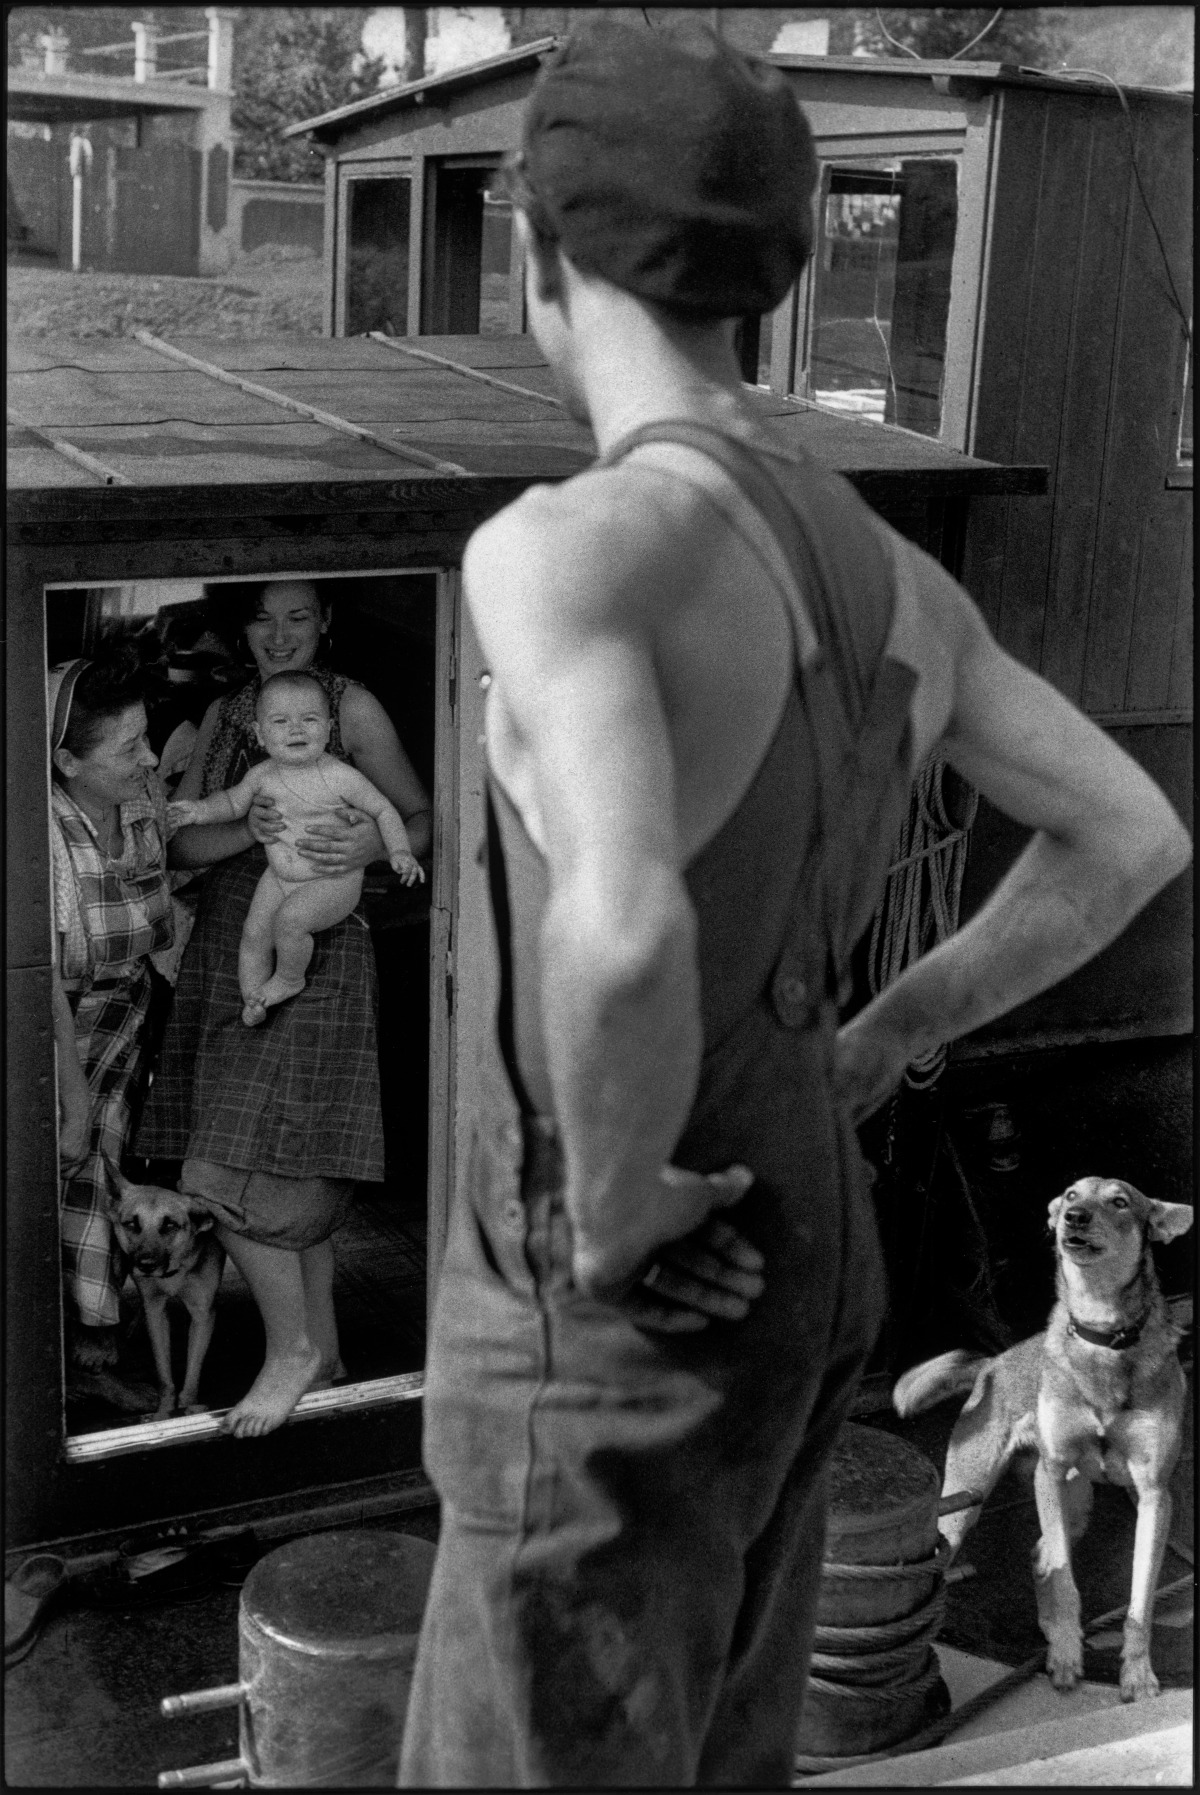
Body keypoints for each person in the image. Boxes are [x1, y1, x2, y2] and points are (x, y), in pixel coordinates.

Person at [398, 20, 1192, 1789]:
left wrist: (606, 1212)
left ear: (535, 251)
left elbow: (623, 928)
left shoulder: (561, 550)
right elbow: (1127, 836)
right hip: (811, 1247)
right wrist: (894, 1026)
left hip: (625, 1302)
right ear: (787, 268)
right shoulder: (886, 571)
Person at [135, 578, 431, 1439]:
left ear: (327, 621)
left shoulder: (353, 709)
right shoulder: (233, 711)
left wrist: (374, 840)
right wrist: (252, 826)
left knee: (243, 1156)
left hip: (322, 940)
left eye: (298, 615)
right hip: (232, 941)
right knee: (251, 1149)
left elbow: (424, 813)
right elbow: (181, 840)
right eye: (262, 617)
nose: (279, 633)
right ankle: (323, 1349)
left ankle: (292, 1347)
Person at [49, 649, 175, 1405]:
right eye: (130, 748)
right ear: (67, 761)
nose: (151, 758)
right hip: (62, 1037)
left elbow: (170, 860)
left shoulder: (138, 801)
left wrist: (255, 832)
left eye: (146, 737)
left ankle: (94, 1347)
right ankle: (72, 1367)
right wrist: (72, 1098)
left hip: (124, 1029)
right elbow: (40, 989)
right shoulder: (46, 840)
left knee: (107, 1188)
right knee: (67, 1179)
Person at [168, 670, 424, 1025]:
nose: (297, 729)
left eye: (310, 720)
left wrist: (397, 850)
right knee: (254, 933)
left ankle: (289, 979)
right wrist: (198, 811)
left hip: (331, 880)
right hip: (279, 875)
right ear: (260, 733)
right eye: (280, 721)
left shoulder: (340, 776)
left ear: (329, 728)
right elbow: (231, 804)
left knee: (289, 922)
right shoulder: (262, 775)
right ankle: (253, 998)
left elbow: (383, 809)